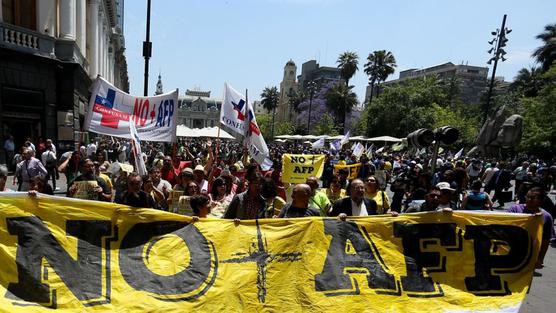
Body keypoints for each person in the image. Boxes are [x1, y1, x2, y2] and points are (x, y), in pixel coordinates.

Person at [506, 188, 554, 269]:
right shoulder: (514, 210)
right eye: (527, 197)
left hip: (531, 256)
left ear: (541, 201)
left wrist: (540, 259)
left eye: (532, 198)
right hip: (510, 252)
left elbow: (545, 241)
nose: (528, 200)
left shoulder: (546, 217)